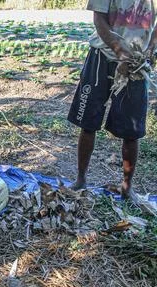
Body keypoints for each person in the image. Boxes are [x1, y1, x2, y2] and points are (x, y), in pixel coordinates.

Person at [67, 0, 157, 202]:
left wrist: (151, 50)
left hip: (136, 61)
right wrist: (119, 50)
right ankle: (81, 179)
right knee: (88, 122)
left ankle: (127, 187)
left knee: (131, 130)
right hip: (102, 55)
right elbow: (99, 19)